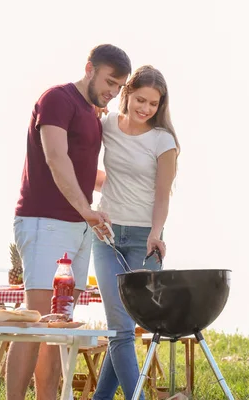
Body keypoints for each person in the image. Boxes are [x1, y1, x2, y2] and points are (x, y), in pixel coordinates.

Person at [8, 44, 131, 400]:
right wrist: (87, 210)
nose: (112, 91)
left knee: (58, 325)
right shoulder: (57, 100)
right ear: (90, 68)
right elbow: (56, 158)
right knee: (34, 322)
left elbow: (84, 172)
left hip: (78, 227)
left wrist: (138, 184)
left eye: (119, 86)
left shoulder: (92, 114)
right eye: (109, 81)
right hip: (44, 220)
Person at [92, 65, 179, 400]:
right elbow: (86, 163)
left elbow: (161, 194)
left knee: (124, 330)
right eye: (141, 99)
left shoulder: (163, 140)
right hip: (107, 237)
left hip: (144, 241)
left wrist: (156, 234)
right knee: (120, 329)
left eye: (154, 104)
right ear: (126, 94)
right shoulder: (106, 125)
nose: (145, 108)